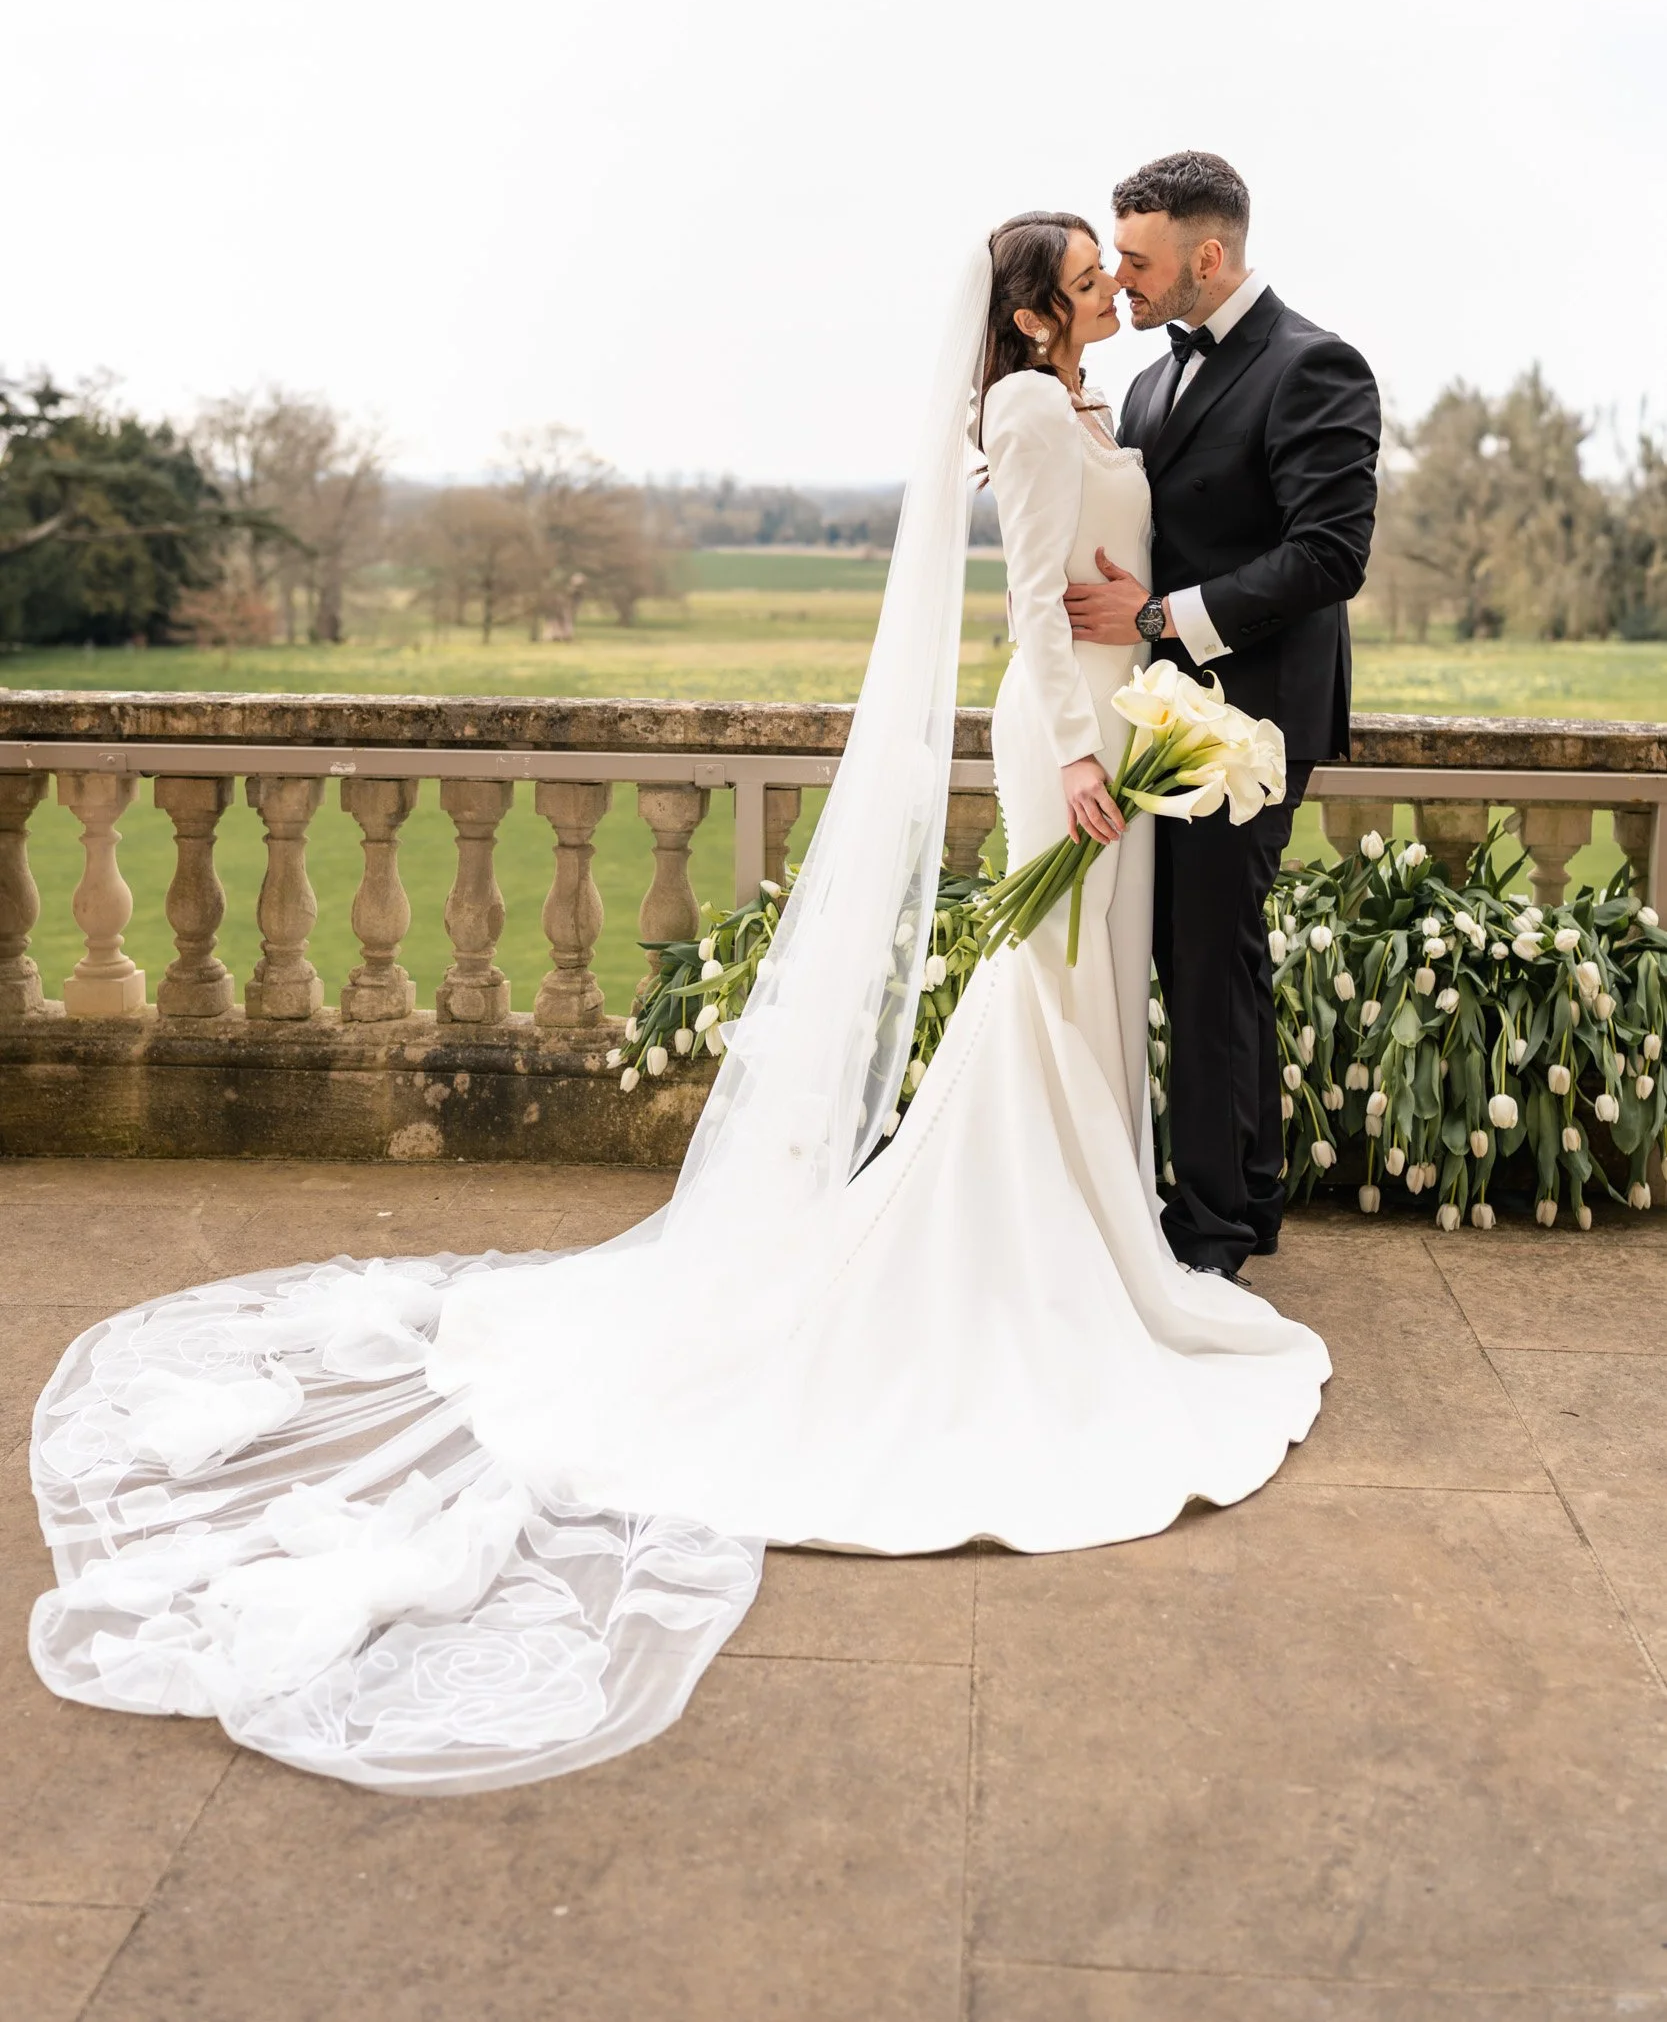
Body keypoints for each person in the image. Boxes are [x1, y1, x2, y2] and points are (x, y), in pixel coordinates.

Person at [28, 215, 1330, 1796]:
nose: (1112, 288)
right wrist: (1073, 750)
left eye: (1122, 267)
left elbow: (1109, 574)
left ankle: (1077, 1222)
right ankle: (1030, 1241)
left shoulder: (1082, 406)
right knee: (1039, 994)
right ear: (1036, 307)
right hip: (1068, 750)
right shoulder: (1019, 411)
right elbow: (1030, 611)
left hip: (1111, 726)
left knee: (1069, 996)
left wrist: (1141, 656)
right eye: (1089, 272)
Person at [1065, 152, 1381, 1279]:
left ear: (1208, 253)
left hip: (1252, 717)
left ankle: (1203, 1234)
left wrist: (1158, 615)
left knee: (1205, 961)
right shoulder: (1151, 383)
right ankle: (1241, 1198)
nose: (1121, 282)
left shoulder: (1314, 365)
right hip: (1160, 718)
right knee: (1200, 956)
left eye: (1139, 262)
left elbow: (1328, 555)